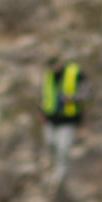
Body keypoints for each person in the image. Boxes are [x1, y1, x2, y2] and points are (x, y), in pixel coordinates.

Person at [39, 55, 87, 190]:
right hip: (50, 119)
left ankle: (62, 178)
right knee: (51, 145)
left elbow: (87, 92)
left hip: (68, 120)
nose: (54, 67)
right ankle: (53, 171)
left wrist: (72, 97)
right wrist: (41, 110)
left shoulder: (74, 73)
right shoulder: (48, 76)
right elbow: (43, 95)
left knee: (63, 148)